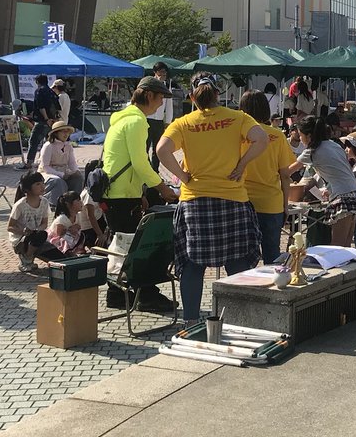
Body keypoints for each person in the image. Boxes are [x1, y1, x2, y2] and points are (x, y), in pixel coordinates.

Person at [156, 73, 269, 326]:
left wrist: (182, 175)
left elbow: (161, 150)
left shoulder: (183, 123)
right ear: (218, 93)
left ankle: (191, 321)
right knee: (238, 263)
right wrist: (242, 164)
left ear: (192, 97)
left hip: (195, 201)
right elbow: (261, 139)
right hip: (233, 199)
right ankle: (240, 320)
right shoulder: (238, 118)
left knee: (193, 265)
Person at [101, 76, 181, 310]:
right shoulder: (136, 122)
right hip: (122, 195)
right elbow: (140, 162)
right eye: (160, 99)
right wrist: (162, 187)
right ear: (148, 96)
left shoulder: (121, 120)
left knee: (123, 244)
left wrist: (142, 190)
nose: (161, 104)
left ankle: (117, 294)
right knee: (138, 247)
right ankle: (146, 294)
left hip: (119, 193)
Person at [238, 89, 296, 265]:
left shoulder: (236, 134)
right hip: (271, 203)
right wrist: (285, 204)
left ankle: (246, 290)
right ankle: (272, 291)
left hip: (241, 202)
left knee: (243, 257)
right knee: (272, 256)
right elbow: (285, 175)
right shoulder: (277, 135)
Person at [294, 115, 356, 248]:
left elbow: (287, 171)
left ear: (309, 136)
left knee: (337, 246)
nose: (300, 139)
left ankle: (336, 269)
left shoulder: (311, 151)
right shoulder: (334, 145)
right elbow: (340, 172)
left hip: (343, 197)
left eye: (301, 135)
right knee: (345, 245)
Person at [8, 171, 63, 272]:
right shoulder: (20, 205)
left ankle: (31, 254)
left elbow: (44, 223)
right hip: (21, 240)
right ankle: (27, 257)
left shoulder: (45, 202)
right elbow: (10, 227)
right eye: (38, 184)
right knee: (39, 235)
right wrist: (23, 232)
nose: (42, 186)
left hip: (38, 237)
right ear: (27, 189)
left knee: (63, 260)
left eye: (43, 183)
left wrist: (37, 231)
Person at [38, 121, 83, 207]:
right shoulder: (48, 146)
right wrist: (61, 174)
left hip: (63, 172)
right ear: (56, 133)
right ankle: (58, 205)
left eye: (67, 131)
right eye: (63, 131)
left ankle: (74, 203)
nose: (66, 134)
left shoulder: (68, 146)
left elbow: (72, 163)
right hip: (47, 173)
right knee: (58, 181)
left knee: (78, 178)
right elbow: (45, 167)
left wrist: (76, 171)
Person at [23, 75, 60, 170]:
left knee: (33, 141)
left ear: (37, 82)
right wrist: (53, 119)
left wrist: (46, 118)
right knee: (50, 142)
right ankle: (48, 162)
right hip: (52, 121)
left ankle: (29, 163)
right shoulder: (52, 92)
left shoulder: (39, 91)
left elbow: (41, 106)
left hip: (43, 121)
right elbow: (58, 107)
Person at [146, 62, 175, 171]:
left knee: (158, 148)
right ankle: (146, 170)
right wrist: (157, 81)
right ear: (155, 72)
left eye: (165, 72)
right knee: (145, 147)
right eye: (161, 72)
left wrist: (168, 121)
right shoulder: (149, 84)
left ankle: (155, 171)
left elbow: (169, 106)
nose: (163, 74)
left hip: (158, 121)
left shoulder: (167, 87)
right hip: (147, 119)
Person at [48, 191, 89, 256]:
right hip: (56, 242)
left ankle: (76, 250)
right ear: (68, 204)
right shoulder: (62, 219)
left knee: (82, 234)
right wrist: (69, 230)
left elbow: (79, 227)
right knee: (66, 238)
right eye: (78, 201)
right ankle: (66, 252)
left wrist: (76, 227)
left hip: (71, 238)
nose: (81, 203)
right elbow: (59, 235)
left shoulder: (78, 215)